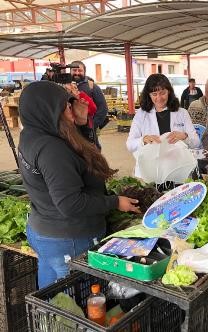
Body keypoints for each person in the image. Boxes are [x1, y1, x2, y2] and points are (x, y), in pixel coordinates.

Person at [18, 81, 140, 288]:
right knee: (76, 303)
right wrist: (114, 202)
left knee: (51, 298)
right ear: (49, 109)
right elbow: (70, 204)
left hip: (45, 232)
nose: (71, 107)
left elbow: (83, 156)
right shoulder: (51, 149)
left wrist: (83, 124)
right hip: (69, 240)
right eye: (65, 105)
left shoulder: (34, 134)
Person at [126, 74, 200, 176]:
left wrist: (185, 136)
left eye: (162, 93)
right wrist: (143, 140)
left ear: (169, 91)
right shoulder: (141, 115)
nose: (159, 98)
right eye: (154, 94)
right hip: (150, 171)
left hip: (178, 169)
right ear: (149, 95)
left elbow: (196, 142)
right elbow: (130, 144)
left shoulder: (182, 113)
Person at [70, 60, 109, 148]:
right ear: (70, 71)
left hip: (87, 130)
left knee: (91, 150)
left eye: (80, 70)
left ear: (84, 72)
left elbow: (103, 108)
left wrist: (92, 125)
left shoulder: (92, 87)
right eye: (74, 70)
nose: (77, 73)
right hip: (70, 129)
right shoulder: (65, 86)